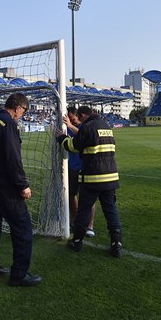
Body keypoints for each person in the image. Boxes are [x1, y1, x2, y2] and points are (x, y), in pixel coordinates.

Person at [0, 93, 41, 286]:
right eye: (23, 111)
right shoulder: (8, 125)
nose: (22, 115)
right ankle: (19, 274)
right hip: (5, 183)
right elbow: (13, 159)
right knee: (22, 226)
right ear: (17, 107)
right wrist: (22, 185)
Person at [56, 106, 123, 257]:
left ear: (84, 115)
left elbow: (73, 146)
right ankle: (116, 243)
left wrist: (61, 138)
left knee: (83, 211)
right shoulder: (106, 126)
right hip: (111, 177)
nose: (79, 121)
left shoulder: (87, 127)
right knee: (111, 211)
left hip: (93, 177)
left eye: (79, 118)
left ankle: (77, 241)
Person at [63, 107, 96, 238]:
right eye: (69, 119)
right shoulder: (65, 126)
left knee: (89, 198)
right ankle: (74, 221)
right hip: (71, 167)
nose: (71, 120)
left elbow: (85, 136)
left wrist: (70, 125)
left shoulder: (85, 126)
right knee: (70, 195)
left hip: (86, 167)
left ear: (78, 116)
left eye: (73, 118)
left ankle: (90, 225)